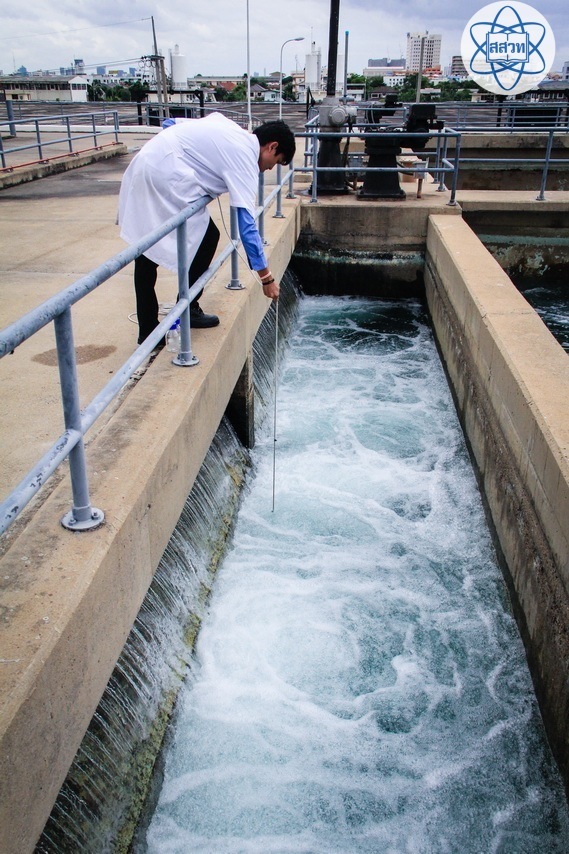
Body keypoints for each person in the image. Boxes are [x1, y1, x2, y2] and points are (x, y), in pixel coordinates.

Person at [117, 112, 296, 344]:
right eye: (277, 161)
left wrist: (184, 157)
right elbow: (246, 225)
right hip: (162, 176)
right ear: (272, 147)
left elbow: (170, 123)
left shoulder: (229, 127)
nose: (271, 168)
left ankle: (167, 317)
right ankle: (169, 319)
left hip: (148, 161)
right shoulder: (245, 158)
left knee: (162, 247)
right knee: (161, 249)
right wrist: (266, 278)